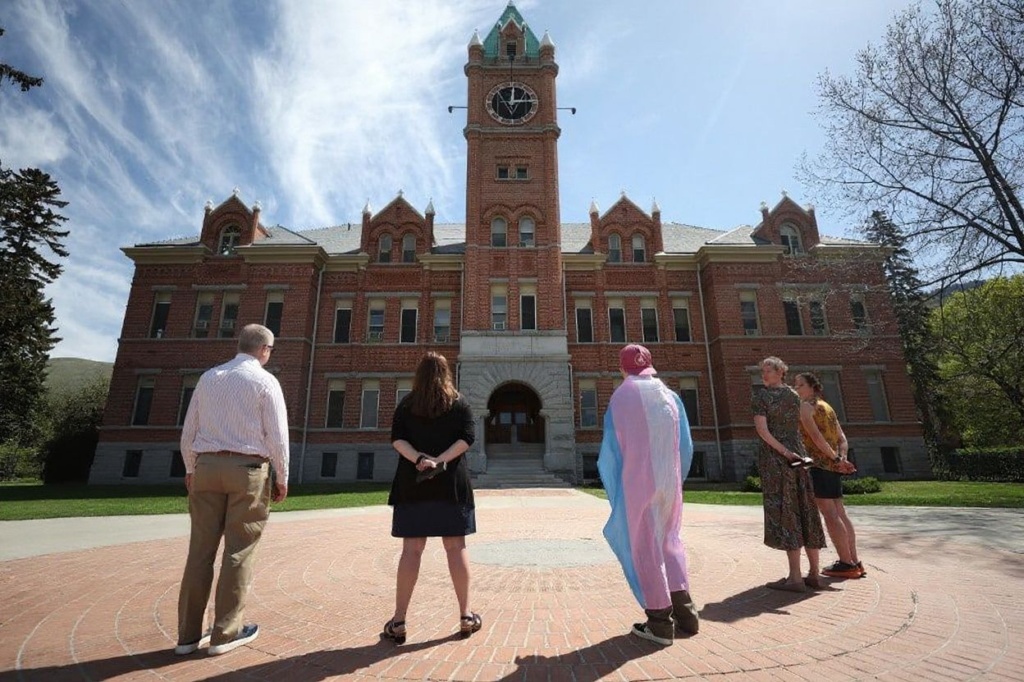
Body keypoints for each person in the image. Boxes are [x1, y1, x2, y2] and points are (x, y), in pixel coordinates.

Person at [175, 323, 289, 656]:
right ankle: (225, 633)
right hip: (248, 470)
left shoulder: (210, 377)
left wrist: (190, 468)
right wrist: (282, 476)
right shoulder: (266, 381)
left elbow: (189, 430)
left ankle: (186, 636)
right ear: (265, 350)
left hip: (207, 467)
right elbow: (277, 437)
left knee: (200, 551)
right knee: (239, 551)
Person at [598, 344, 699, 646]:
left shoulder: (621, 396)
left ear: (622, 367)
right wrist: (675, 478)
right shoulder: (670, 395)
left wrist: (615, 489)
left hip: (638, 482)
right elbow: (687, 445)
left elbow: (611, 452)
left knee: (644, 546)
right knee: (671, 541)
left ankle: (659, 623)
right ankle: (687, 614)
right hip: (670, 479)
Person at [383, 351, 480, 645]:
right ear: (446, 374)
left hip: (413, 485)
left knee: (411, 551)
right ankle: (465, 615)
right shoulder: (459, 403)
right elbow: (467, 438)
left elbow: (397, 438)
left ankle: (399, 621)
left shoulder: (407, 404)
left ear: (419, 375)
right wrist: (440, 460)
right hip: (450, 485)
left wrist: (420, 459)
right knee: (455, 548)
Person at [752, 356, 827, 592]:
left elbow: (763, 431)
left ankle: (796, 577)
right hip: (798, 456)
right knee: (806, 509)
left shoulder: (761, 397)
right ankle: (814, 574)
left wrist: (785, 453)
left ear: (781, 371)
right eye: (762, 371)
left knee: (788, 512)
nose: (764, 375)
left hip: (778, 460)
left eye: (768, 371)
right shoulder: (795, 396)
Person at [794, 372, 864, 579]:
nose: (796, 389)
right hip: (832, 466)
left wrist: (834, 460)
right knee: (840, 513)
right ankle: (855, 561)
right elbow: (842, 438)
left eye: (800, 385)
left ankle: (845, 563)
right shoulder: (828, 407)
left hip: (819, 466)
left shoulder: (806, 407)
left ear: (812, 387)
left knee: (830, 515)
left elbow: (815, 437)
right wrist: (841, 458)